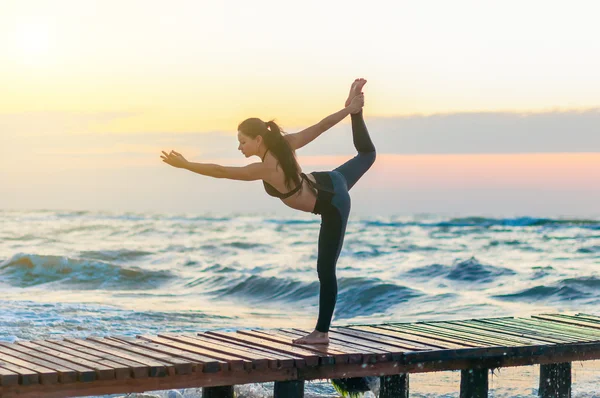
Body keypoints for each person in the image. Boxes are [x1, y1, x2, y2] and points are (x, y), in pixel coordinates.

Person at [160, 78, 376, 345]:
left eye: (242, 142)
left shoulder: (265, 168)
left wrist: (186, 165)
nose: (239, 147)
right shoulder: (284, 145)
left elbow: (220, 171)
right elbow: (321, 126)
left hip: (333, 202)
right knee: (367, 154)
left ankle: (321, 333)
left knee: (325, 269)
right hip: (329, 180)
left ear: (258, 139)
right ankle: (358, 112)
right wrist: (349, 109)